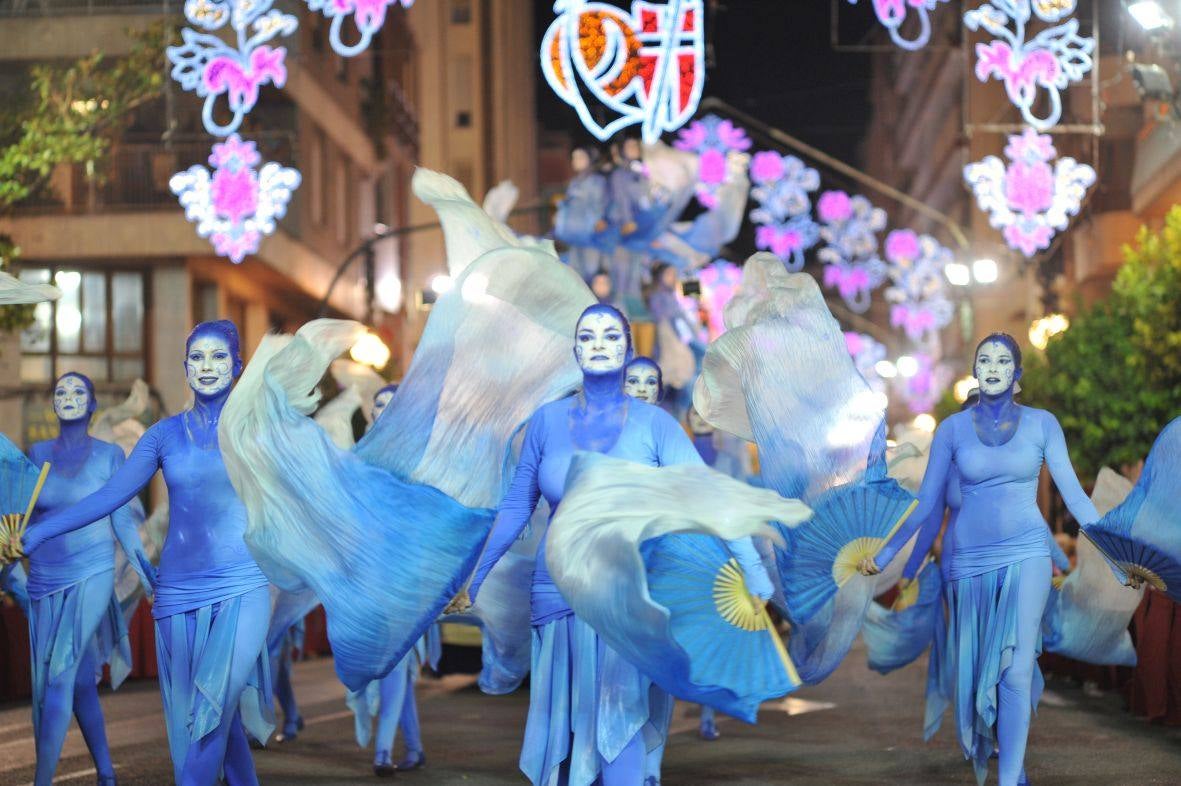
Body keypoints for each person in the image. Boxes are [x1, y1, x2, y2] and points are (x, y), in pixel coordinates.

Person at [453, 304, 772, 786]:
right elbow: (517, 507)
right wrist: (473, 580)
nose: (599, 343)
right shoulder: (545, 421)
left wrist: (753, 568)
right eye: (587, 335)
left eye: (609, 335)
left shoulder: (655, 425)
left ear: (626, 347)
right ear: (575, 349)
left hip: (628, 592)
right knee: (565, 729)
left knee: (618, 720)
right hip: (556, 591)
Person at [23, 321, 274, 786]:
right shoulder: (163, 436)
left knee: (209, 715)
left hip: (243, 587)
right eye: (197, 357)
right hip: (177, 595)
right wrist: (41, 533)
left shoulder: (258, 430)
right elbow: (109, 496)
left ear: (238, 367)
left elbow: (310, 494)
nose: (207, 367)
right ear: (185, 368)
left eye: (219, 357)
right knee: (216, 720)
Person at [860, 333, 1099, 786]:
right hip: (967, 563)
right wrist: (888, 551)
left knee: (1015, 669)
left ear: (1018, 375)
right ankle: (1002, 749)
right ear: (975, 371)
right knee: (976, 675)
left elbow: (1076, 499)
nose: (992, 366)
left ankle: (1008, 778)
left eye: (1002, 360)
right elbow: (926, 505)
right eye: (984, 359)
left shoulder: (1043, 424)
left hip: (1027, 553)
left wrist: (1114, 547)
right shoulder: (951, 429)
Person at [22, 372, 154, 786]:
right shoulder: (37, 452)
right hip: (43, 577)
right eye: (60, 391)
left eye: (79, 391)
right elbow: (18, 518)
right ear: (54, 405)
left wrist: (148, 573)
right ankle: (106, 772)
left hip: (94, 572)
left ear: (92, 405)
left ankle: (41, 780)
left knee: (61, 673)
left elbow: (123, 521)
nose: (69, 396)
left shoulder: (111, 455)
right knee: (74, 682)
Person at [347, 383, 441, 777]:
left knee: (393, 661)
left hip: (408, 576)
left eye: (392, 406)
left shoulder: (420, 459)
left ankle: (383, 752)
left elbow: (433, 518)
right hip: (371, 576)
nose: (383, 412)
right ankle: (415, 748)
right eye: (378, 406)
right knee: (391, 664)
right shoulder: (357, 460)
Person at [555, 147, 611, 281]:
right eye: (574, 158)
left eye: (580, 157)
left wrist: (596, 221)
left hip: (590, 233)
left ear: (589, 160)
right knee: (575, 269)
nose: (576, 161)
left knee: (591, 269)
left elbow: (599, 203)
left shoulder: (596, 181)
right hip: (574, 233)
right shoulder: (574, 182)